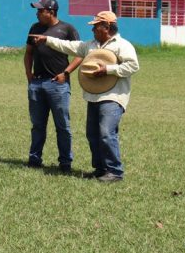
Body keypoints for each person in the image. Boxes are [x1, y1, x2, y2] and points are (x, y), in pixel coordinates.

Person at [31, 10, 139, 183]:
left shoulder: (122, 45)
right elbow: (68, 46)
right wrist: (47, 40)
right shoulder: (90, 45)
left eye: (96, 26)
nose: (93, 29)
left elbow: (133, 66)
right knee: (93, 134)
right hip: (93, 96)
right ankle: (100, 169)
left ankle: (115, 171)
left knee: (106, 133)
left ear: (107, 27)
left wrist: (108, 70)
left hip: (113, 97)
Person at [24, 0, 83, 173]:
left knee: (62, 126)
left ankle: (65, 163)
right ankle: (34, 160)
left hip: (58, 85)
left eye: (40, 10)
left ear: (51, 12)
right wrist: (29, 75)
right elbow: (28, 53)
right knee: (37, 126)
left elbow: (80, 54)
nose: (37, 13)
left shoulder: (67, 29)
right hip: (37, 83)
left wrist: (66, 73)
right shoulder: (34, 28)